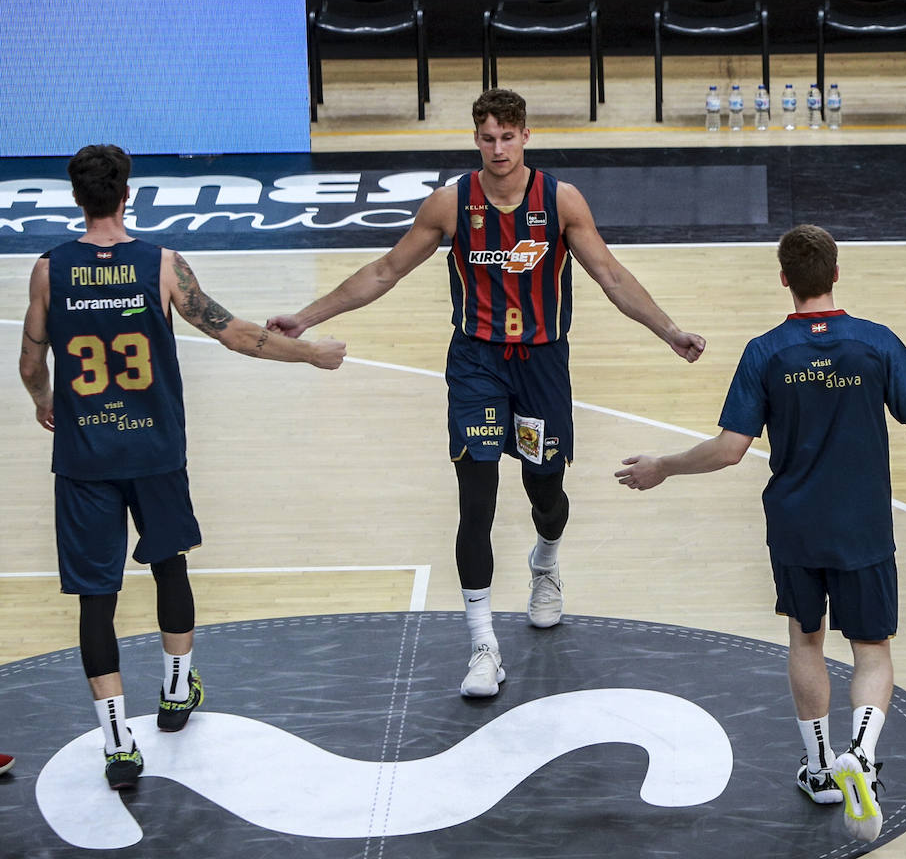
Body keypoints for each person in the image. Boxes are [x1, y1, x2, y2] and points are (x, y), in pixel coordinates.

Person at [268, 88, 704, 699]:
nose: (498, 149)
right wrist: (306, 318)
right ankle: (482, 645)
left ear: (526, 136)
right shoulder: (450, 205)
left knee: (544, 490)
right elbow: (384, 271)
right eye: (487, 137)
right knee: (477, 494)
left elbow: (610, 274)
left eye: (508, 136)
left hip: (542, 366)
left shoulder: (561, 200)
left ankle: (545, 562)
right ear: (475, 139)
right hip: (476, 362)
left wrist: (669, 331)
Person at [616, 224, 906, 842]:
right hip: (863, 526)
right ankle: (862, 749)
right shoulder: (875, 344)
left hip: (796, 527)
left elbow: (728, 450)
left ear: (784, 280)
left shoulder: (765, 353)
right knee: (871, 649)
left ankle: (821, 767)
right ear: (835, 274)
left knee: (806, 640)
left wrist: (663, 467)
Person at [17, 144, 347, 790]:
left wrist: (43, 400)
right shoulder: (163, 265)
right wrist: (309, 353)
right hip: (155, 448)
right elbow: (232, 332)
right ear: (127, 192)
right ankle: (175, 692)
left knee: (96, 599)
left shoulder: (49, 271)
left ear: (77, 197)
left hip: (86, 455)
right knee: (170, 565)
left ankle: (117, 744)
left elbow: (32, 363)